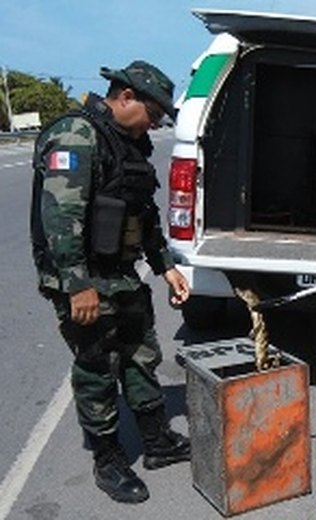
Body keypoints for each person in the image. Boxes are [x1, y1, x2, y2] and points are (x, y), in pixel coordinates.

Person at [30, 60, 192, 504]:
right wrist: (76, 284)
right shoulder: (76, 136)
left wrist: (166, 267)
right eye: (152, 115)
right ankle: (108, 458)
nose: (154, 125)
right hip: (83, 279)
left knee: (142, 354)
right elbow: (60, 217)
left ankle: (157, 441)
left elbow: (144, 214)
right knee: (97, 366)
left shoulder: (129, 144)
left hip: (121, 274)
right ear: (125, 97)